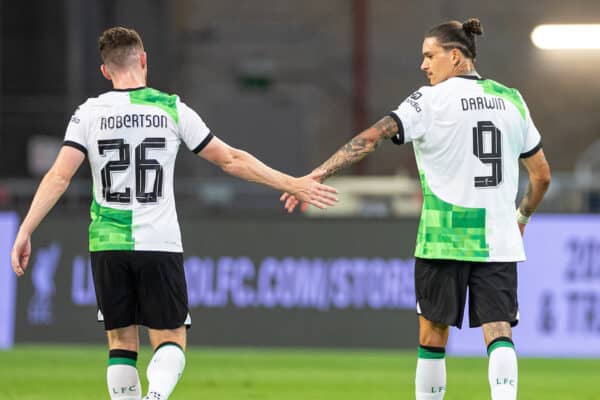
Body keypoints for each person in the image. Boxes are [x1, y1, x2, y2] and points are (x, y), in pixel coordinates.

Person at [10, 26, 337, 400]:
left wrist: (26, 229)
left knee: (120, 344)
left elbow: (59, 176)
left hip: (107, 244)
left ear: (105, 71)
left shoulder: (89, 113)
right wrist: (291, 183)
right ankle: (156, 396)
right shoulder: (170, 108)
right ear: (144, 59)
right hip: (157, 242)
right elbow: (230, 159)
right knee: (171, 342)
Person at [282, 18, 551, 400]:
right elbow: (541, 176)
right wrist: (521, 217)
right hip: (498, 237)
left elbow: (374, 136)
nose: (423, 65)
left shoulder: (427, 101)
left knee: (432, 335)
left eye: (429, 56)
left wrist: (319, 173)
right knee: (499, 331)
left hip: (445, 237)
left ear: (455, 57)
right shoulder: (512, 99)